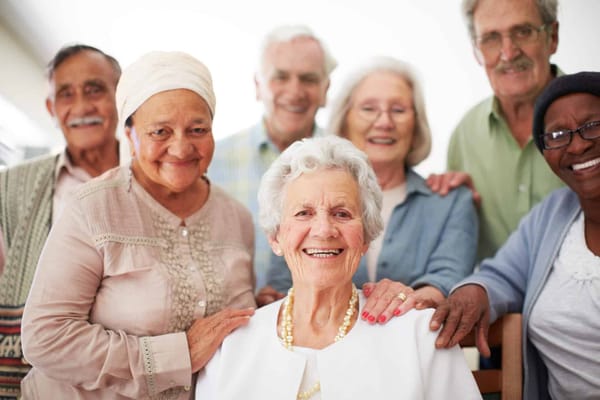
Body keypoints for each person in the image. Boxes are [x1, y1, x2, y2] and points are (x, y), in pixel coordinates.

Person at [20, 51, 256, 399]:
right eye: (160, 131)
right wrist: (177, 355)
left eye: (198, 130)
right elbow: (45, 338)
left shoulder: (237, 217)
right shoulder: (93, 208)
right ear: (129, 134)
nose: (181, 147)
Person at [196, 136, 481, 399]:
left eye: (341, 213)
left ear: (366, 236)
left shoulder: (420, 336)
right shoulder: (231, 347)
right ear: (275, 237)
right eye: (303, 213)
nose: (323, 229)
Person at [430, 71, 600, 400]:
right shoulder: (554, 214)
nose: (578, 144)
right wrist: (473, 291)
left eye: (593, 125)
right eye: (558, 135)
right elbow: (501, 275)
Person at [266, 56, 478, 311]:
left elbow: (446, 281)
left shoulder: (452, 202)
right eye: (369, 109)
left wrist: (405, 300)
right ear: (345, 120)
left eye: (398, 110)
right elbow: (281, 284)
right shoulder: (298, 195)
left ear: (416, 124)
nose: (385, 122)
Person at [0, 44, 121, 399]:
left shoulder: (155, 177)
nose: (82, 107)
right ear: (52, 109)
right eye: (66, 95)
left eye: (94, 90)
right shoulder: (10, 188)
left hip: (137, 380)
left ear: (120, 96)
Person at [427, 0, 564, 262]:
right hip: (495, 301)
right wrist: (454, 203)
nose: (508, 53)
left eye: (523, 32)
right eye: (491, 38)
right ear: (476, 51)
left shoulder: (594, 119)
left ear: (552, 37)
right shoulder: (465, 135)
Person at [209, 24, 336, 293]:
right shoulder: (209, 162)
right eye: (280, 77)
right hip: (236, 326)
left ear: (325, 89)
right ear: (258, 85)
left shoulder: (350, 165)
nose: (295, 91)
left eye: (309, 79)